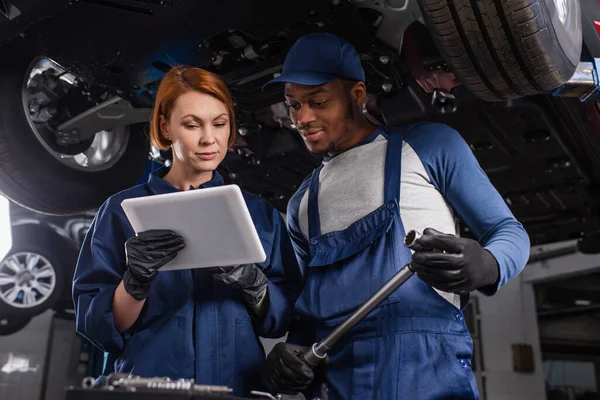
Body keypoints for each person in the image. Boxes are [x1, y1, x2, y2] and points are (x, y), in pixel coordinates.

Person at [260, 33, 530, 399]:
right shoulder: (301, 203)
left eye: (318, 102)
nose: (303, 118)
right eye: (292, 105)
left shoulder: (429, 145)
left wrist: (488, 263)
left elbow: (508, 231)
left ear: (356, 95)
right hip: (336, 379)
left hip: (425, 368)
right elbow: (308, 310)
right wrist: (293, 352)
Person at [72, 66, 303, 396]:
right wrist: (135, 281)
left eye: (220, 124)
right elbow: (100, 328)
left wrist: (254, 283)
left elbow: (281, 319)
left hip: (236, 388)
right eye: (192, 124)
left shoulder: (259, 215)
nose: (209, 138)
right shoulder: (121, 212)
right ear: (165, 127)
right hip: (150, 389)